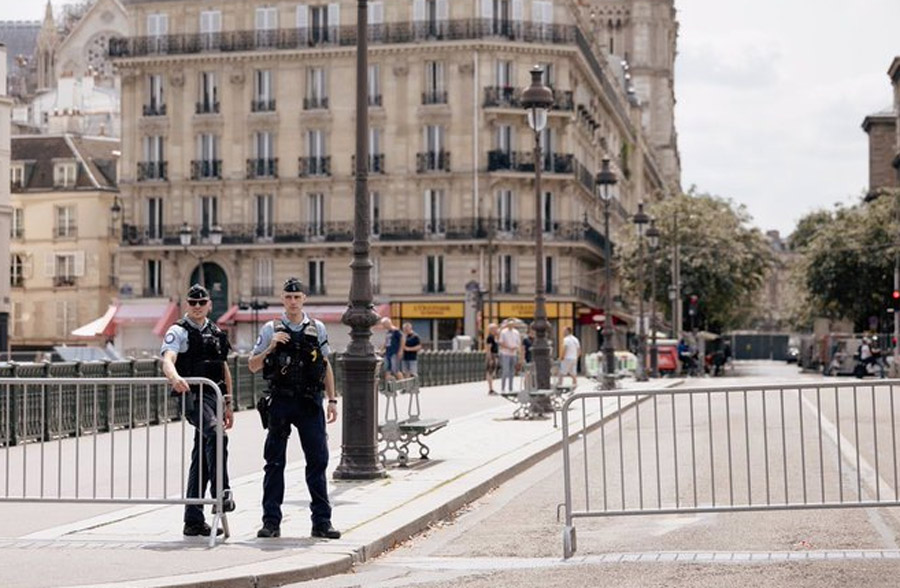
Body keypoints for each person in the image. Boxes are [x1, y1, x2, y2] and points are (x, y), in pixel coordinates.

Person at [249, 277, 340, 540]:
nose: (292, 302)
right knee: (274, 462)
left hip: (310, 402)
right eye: (288, 297)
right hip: (281, 401)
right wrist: (270, 346)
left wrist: (332, 400)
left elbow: (325, 365)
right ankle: (271, 522)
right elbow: (252, 366)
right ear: (282, 299)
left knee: (318, 461)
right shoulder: (270, 328)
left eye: (297, 297)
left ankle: (322, 522)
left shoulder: (317, 328)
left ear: (304, 299)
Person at [160, 284, 234, 537]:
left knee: (201, 457)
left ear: (209, 304)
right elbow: (168, 359)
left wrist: (229, 402)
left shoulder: (216, 331)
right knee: (216, 434)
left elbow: (223, 368)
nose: (197, 307)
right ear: (186, 305)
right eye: (193, 303)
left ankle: (193, 520)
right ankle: (222, 493)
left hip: (214, 396)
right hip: (192, 396)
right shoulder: (178, 331)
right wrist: (175, 378)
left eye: (202, 302)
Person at [498, 319, 522, 393]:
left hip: (513, 353)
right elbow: (501, 342)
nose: (511, 326)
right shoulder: (503, 332)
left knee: (512, 371)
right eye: (509, 324)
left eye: (512, 324)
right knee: (505, 371)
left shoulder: (516, 332)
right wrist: (509, 347)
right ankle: (503, 387)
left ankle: (510, 387)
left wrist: (517, 349)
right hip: (505, 353)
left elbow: (518, 343)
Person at [485, 323, 499, 394]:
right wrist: (490, 358)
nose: (497, 330)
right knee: (490, 372)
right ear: (491, 330)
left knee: (492, 372)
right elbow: (488, 348)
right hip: (492, 355)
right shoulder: (490, 337)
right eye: (495, 329)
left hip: (495, 355)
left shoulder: (494, 337)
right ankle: (490, 389)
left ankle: (491, 388)